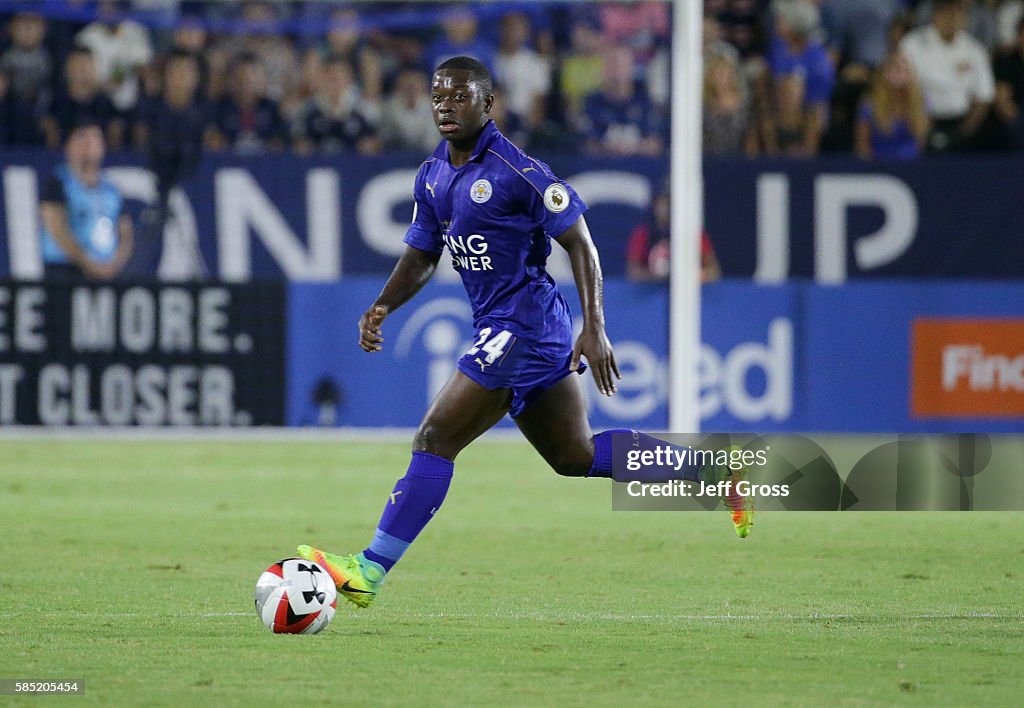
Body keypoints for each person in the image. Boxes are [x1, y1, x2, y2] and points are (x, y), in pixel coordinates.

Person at [296, 57, 753, 610]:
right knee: (574, 456)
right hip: (513, 328)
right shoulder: (432, 175)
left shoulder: (519, 172)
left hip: (526, 327)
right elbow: (422, 254)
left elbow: (581, 242)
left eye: (459, 96)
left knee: (435, 438)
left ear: (488, 105)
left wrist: (596, 326)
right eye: (438, 96)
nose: (445, 105)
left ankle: (368, 569)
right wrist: (383, 305)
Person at [39, 122, 133, 282]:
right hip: (64, 273)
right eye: (82, 138)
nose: (88, 146)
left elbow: (125, 231)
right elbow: (57, 229)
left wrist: (115, 264)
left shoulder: (112, 189)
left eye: (94, 140)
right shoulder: (57, 183)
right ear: (69, 146)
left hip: (106, 273)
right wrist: (88, 264)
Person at [899, 0, 995, 152]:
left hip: (961, 122)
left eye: (958, 14)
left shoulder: (974, 49)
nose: (953, 19)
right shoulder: (913, 44)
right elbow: (901, 85)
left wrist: (963, 132)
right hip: (919, 120)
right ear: (936, 15)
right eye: (948, 14)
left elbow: (984, 96)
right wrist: (919, 122)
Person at [854, 53, 930, 159]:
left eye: (906, 71)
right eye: (897, 70)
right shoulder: (869, 105)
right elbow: (862, 143)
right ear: (883, 74)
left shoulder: (921, 103)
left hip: (912, 163)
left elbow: (920, 141)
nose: (902, 75)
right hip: (879, 163)